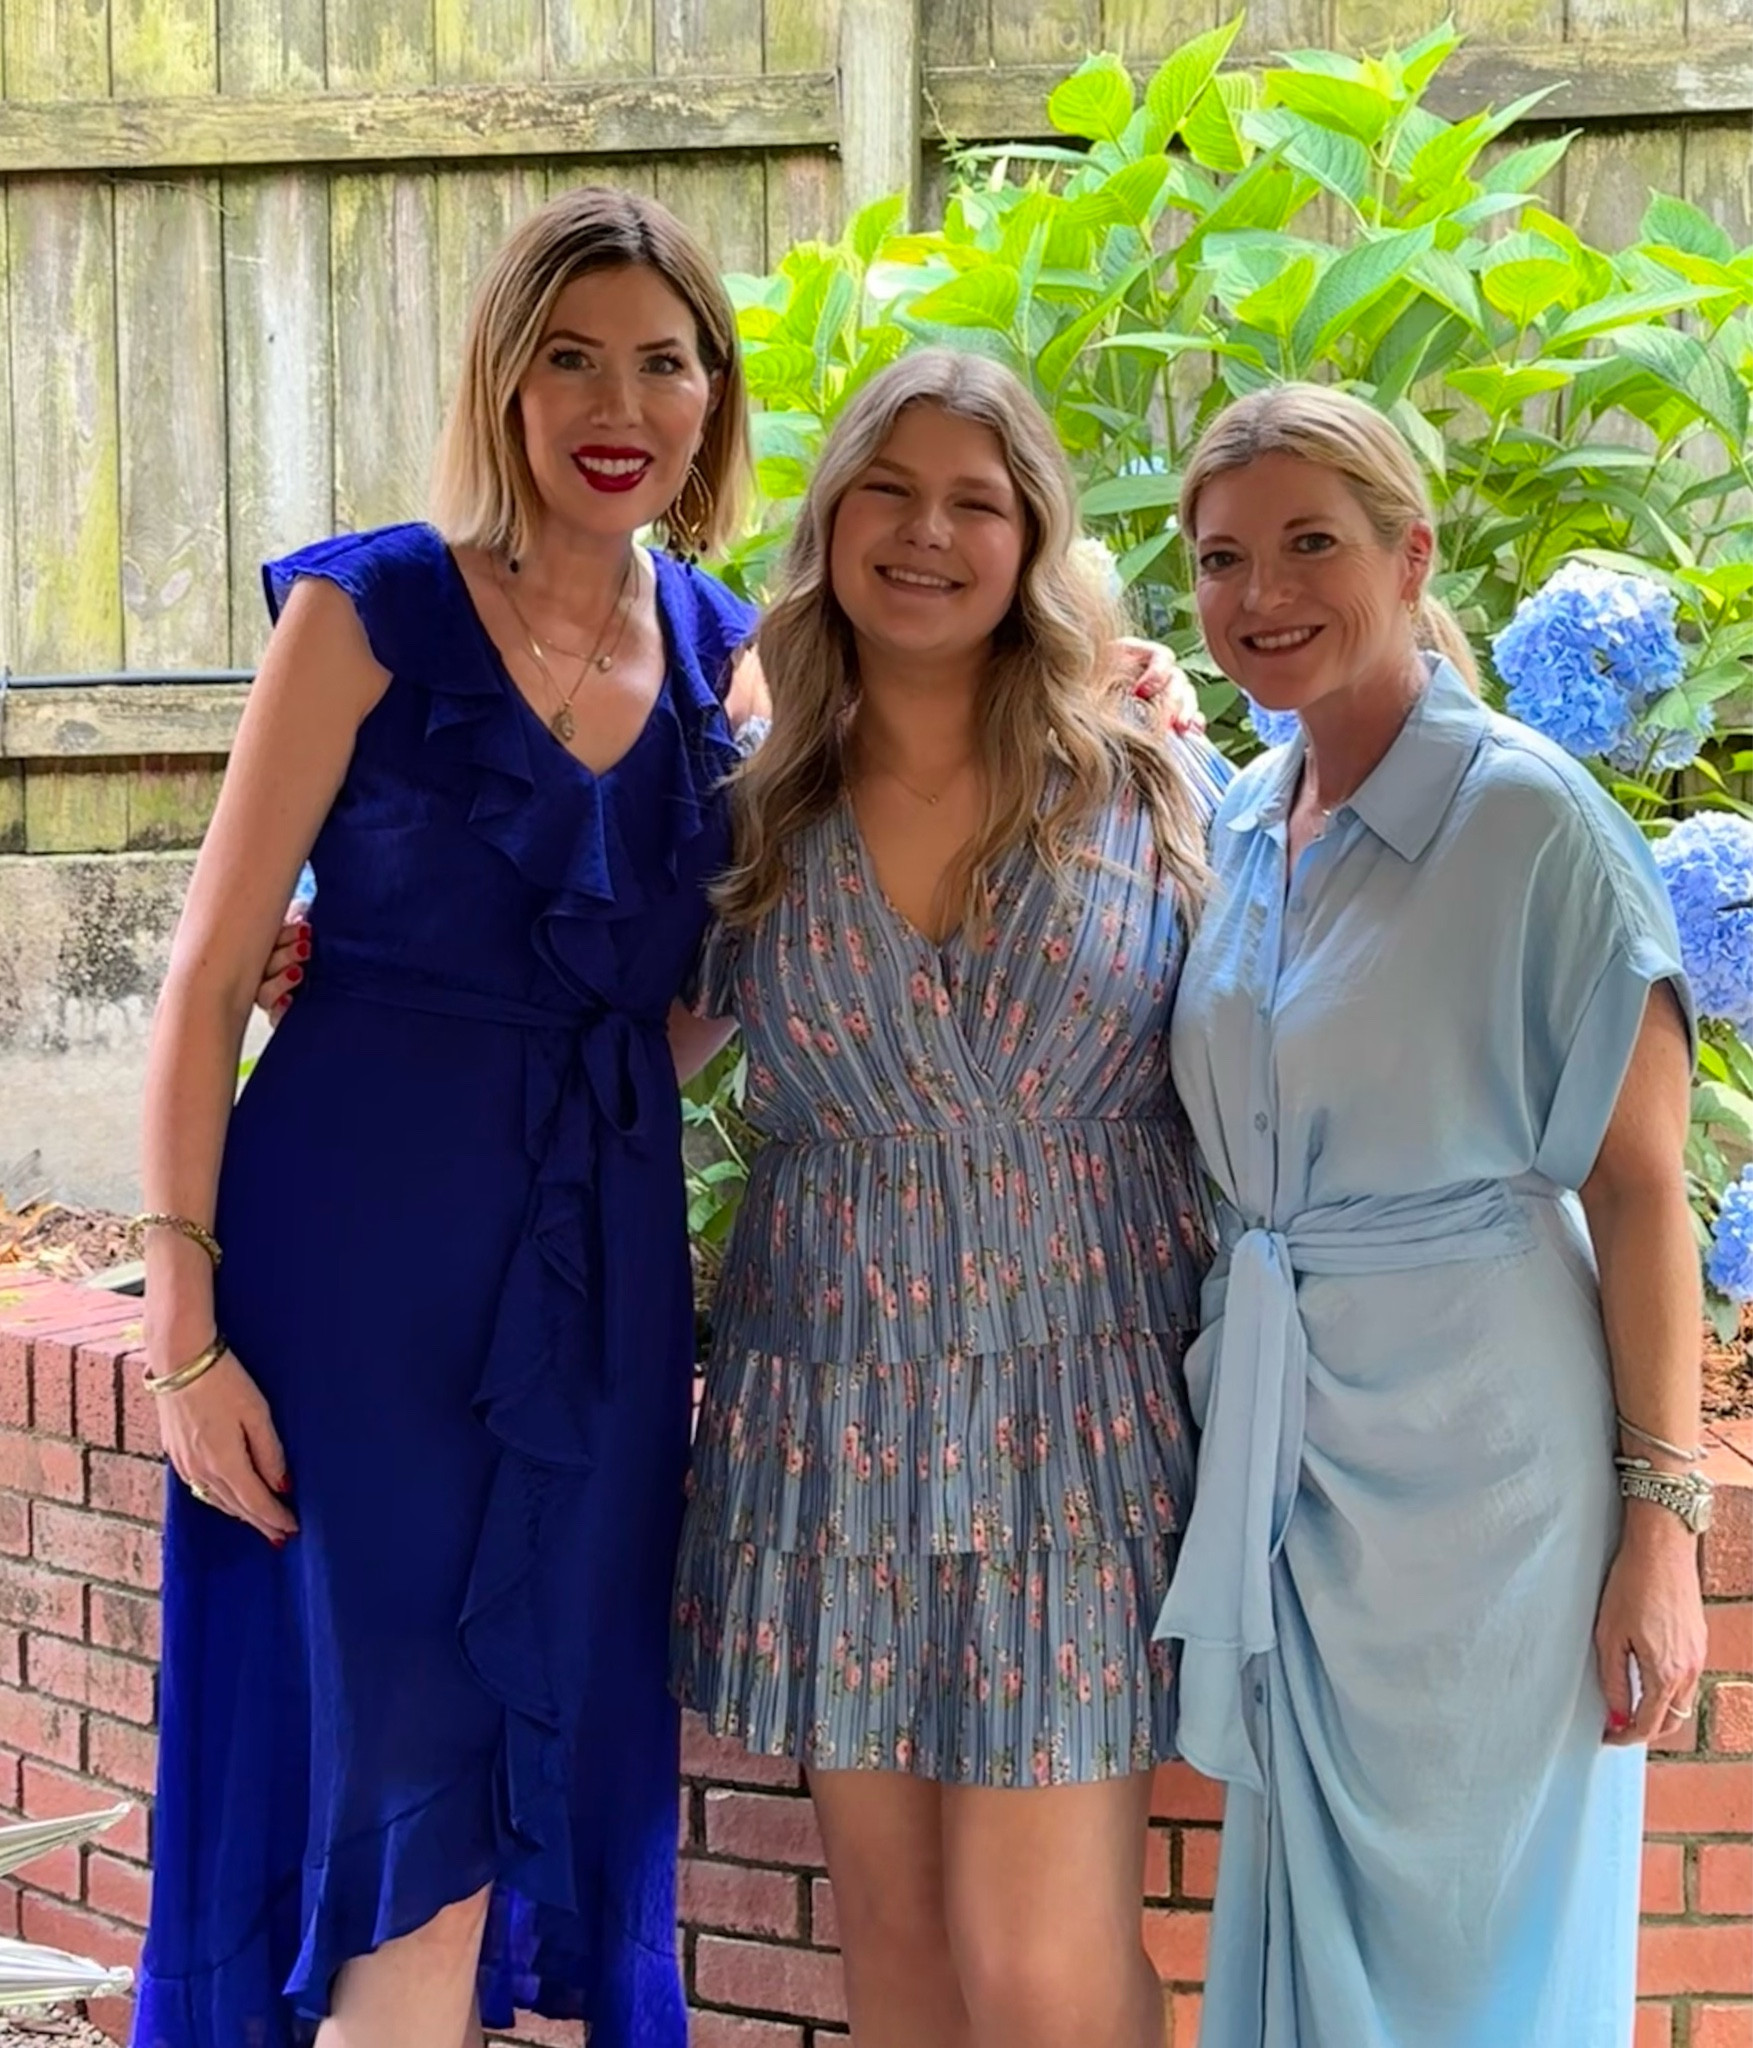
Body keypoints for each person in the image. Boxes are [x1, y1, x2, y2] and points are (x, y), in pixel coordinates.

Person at [133, 186, 766, 2048]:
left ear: (713, 403)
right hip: (356, 1268)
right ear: (501, 380)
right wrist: (182, 1329)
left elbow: (727, 983)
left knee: (555, 1728)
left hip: (598, 1275)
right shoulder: (370, 610)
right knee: (395, 1733)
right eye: (569, 354)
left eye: (662, 361)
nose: (615, 399)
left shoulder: (731, 655)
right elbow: (205, 974)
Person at [668, 348, 1225, 2048]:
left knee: (1044, 1978)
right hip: (830, 1420)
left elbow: (1296, 1037)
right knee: (900, 1972)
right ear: (830, 520)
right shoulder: (744, 807)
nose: (926, 534)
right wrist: (340, 975)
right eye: (888, 493)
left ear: (1032, 534)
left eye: (974, 501)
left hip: (1080, 1423)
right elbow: (612, 1060)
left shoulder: (1142, 776)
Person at [1155, 384, 1710, 2048]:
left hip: (1487, 1493)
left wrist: (1660, 1534)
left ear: (1409, 555)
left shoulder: (1530, 822)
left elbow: (1638, 1190)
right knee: (1309, 1951)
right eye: (1222, 560)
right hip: (1293, 1472)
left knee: (1471, 1959)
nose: (1262, 597)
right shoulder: (1248, 821)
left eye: (1310, 544)